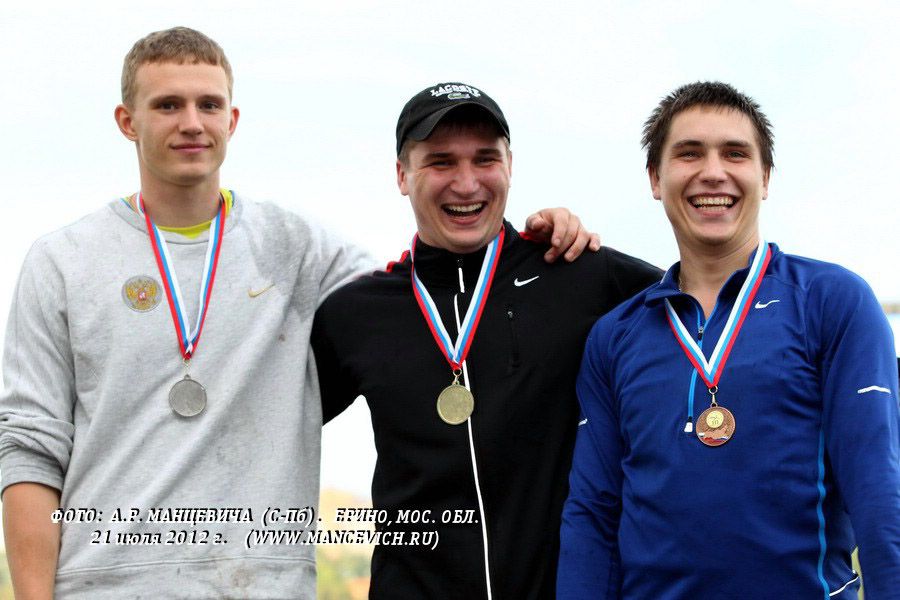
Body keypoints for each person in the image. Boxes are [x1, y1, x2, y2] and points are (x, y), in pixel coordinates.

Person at [0, 30, 596, 599]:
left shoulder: (299, 248)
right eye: (168, 105)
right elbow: (29, 447)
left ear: (232, 120)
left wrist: (538, 246)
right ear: (127, 121)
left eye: (209, 104)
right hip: (104, 583)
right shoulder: (63, 260)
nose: (192, 122)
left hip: (263, 585)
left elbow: (433, 291)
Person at [311, 82, 662, 599]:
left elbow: (709, 317)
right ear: (402, 175)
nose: (467, 182)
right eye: (441, 162)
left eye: (485, 159)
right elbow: (262, 425)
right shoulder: (358, 312)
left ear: (510, 166)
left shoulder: (580, 273)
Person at [557, 81, 900, 599]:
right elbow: (593, 512)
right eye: (689, 153)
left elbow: (878, 487)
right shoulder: (615, 336)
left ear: (765, 177)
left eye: (735, 154)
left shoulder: (833, 301)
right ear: (656, 178)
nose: (713, 172)